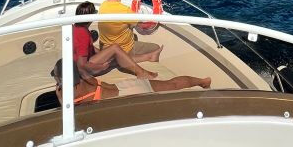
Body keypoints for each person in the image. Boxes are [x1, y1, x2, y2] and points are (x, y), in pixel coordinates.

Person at [51, 59, 211, 105]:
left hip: (128, 96)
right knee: (172, 85)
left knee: (170, 88)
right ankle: (203, 81)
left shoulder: (69, 95)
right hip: (126, 86)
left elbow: (68, 113)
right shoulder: (86, 78)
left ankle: (202, 83)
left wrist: (59, 97)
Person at [71, 1, 158, 79]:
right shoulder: (82, 34)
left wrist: (103, 54)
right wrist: (100, 67)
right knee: (115, 48)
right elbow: (81, 65)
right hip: (83, 70)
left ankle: (148, 57)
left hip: (85, 62)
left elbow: (89, 48)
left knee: (118, 57)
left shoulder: (77, 27)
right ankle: (141, 73)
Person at [97, 0, 162, 57]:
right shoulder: (125, 10)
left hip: (105, 47)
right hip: (123, 49)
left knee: (134, 36)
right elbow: (141, 25)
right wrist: (156, 21)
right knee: (156, 47)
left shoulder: (103, 5)